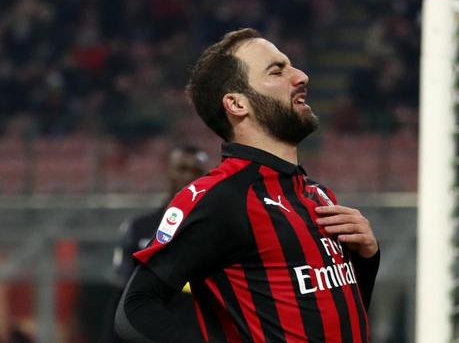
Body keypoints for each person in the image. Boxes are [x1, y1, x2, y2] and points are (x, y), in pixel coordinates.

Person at [115, 28, 380, 343]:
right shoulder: (220, 198)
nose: (301, 77)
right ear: (237, 104)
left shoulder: (316, 194)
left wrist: (367, 259)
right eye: (276, 71)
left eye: (291, 66)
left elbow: (335, 315)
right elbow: (135, 310)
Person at [100, 145, 211, 343]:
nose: (188, 177)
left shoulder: (219, 230)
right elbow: (121, 293)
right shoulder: (139, 229)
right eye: (182, 169)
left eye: (196, 171)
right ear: (168, 172)